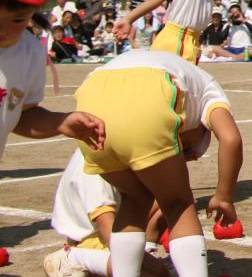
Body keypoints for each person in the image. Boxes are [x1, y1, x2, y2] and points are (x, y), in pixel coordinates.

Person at [71, 49, 242, 277]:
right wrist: (224, 196)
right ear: (201, 126)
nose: (183, 152)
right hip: (150, 92)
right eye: (187, 148)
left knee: (134, 199)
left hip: (91, 99)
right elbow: (231, 138)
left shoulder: (180, 73)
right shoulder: (209, 90)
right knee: (178, 204)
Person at [0, 0, 106, 160]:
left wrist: (60, 122)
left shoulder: (28, 52)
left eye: (17, 20)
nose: (2, 31)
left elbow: (22, 115)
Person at [45, 148, 170, 277]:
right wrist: (146, 266)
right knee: (152, 273)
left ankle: (147, 250)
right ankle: (71, 258)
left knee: (171, 194)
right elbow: (107, 226)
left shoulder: (121, 150)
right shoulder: (95, 167)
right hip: (93, 237)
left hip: (119, 224)